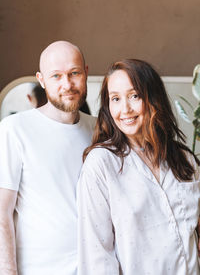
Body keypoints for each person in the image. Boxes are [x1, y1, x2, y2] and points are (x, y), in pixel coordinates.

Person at [77, 59, 200, 275]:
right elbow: (97, 256)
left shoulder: (185, 160)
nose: (124, 109)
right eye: (115, 99)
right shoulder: (101, 164)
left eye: (134, 96)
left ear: (153, 99)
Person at [0, 40, 96, 275]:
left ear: (85, 72)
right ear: (41, 79)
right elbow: (2, 213)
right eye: (56, 76)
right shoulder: (15, 129)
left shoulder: (100, 129)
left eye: (74, 73)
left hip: (95, 267)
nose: (67, 84)